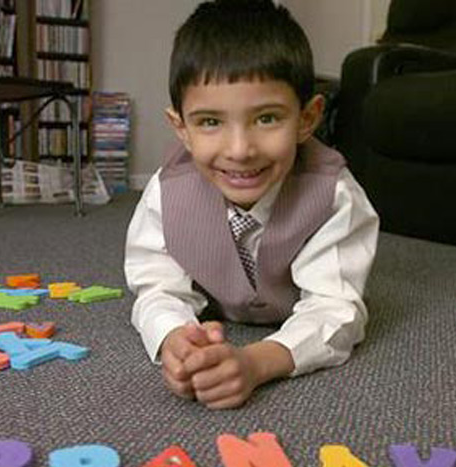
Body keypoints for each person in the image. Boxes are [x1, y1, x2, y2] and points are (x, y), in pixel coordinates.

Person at [125, 0, 379, 409]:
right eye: (210, 122)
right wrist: (175, 337)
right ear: (182, 128)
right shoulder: (166, 191)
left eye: (266, 119)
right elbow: (156, 286)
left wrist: (257, 362)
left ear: (307, 118)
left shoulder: (334, 195)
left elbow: (335, 310)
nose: (240, 150)